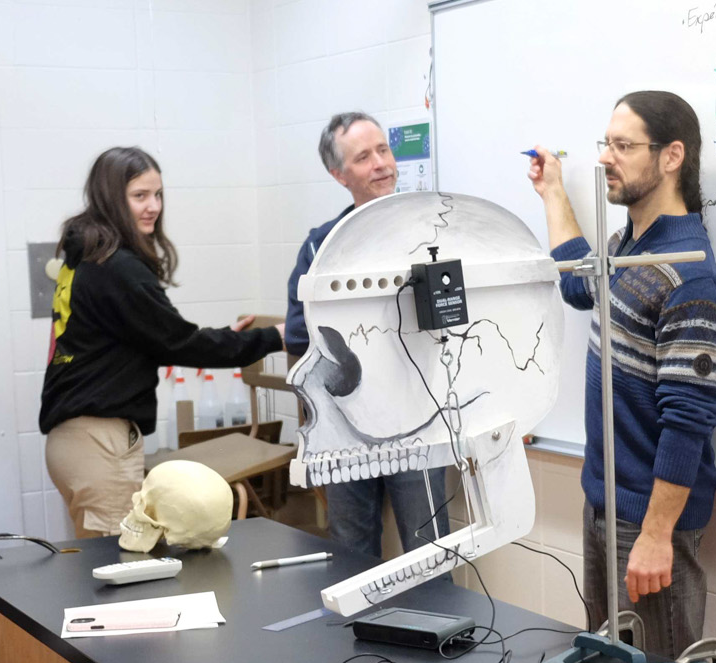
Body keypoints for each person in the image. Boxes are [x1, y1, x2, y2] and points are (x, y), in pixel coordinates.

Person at [526, 92, 716, 659]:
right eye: (606, 144)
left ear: (671, 157)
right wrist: (553, 191)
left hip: (646, 520)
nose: (605, 158)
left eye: (623, 146)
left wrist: (656, 534)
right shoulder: (628, 247)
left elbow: (687, 423)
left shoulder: (689, 278)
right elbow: (579, 284)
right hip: (605, 502)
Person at [39, 146, 281, 538]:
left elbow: (152, 334)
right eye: (140, 196)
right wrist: (272, 338)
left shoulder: (86, 256)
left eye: (158, 195)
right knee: (120, 562)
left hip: (72, 442)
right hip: (99, 443)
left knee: (97, 560)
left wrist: (224, 337)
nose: (153, 206)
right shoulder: (117, 267)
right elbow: (177, 342)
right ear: (110, 198)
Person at [284, 112, 450, 561]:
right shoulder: (321, 246)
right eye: (363, 157)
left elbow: (457, 323)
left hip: (418, 424)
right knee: (350, 559)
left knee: (431, 557)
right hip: (344, 429)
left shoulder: (433, 233)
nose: (380, 164)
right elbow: (298, 337)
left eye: (383, 150)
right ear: (339, 175)